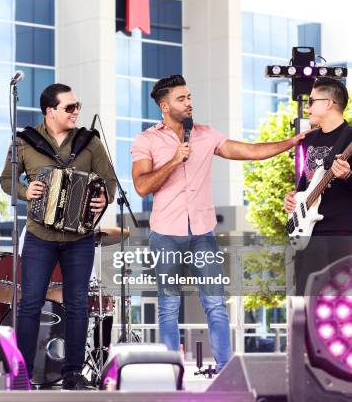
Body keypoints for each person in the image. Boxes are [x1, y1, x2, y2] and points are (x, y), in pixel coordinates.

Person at [131, 74, 310, 372]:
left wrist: (291, 142)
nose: (189, 103)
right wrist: (175, 160)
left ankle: (226, 369)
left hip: (203, 233)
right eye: (181, 99)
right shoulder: (146, 140)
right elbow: (142, 186)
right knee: (168, 307)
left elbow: (249, 152)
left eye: (189, 97)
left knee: (215, 304)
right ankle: (169, 369)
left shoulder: (206, 134)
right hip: (165, 234)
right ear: (164, 105)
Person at [0, 83, 116, 390]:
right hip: (40, 235)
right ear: (50, 111)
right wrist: (26, 191)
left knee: (78, 304)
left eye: (78, 106)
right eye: (70, 107)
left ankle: (72, 374)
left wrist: (103, 198)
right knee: (30, 304)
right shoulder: (25, 141)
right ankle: (22, 375)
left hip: (79, 237)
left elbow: (110, 182)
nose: (76, 112)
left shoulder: (89, 142)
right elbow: (6, 180)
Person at [283, 77, 352, 295]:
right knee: (306, 299)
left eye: (312, 101)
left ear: (328, 103)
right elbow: (305, 182)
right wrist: (294, 199)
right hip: (309, 235)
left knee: (341, 304)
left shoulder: (349, 137)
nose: (308, 107)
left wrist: (348, 175)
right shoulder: (308, 140)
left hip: (342, 235)